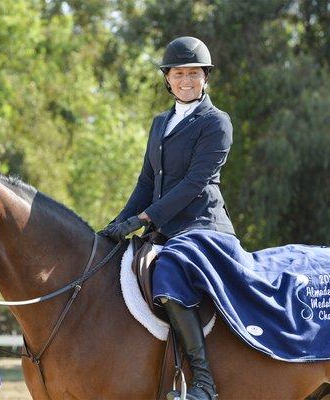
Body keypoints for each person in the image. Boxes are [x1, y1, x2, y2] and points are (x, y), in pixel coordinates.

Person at [100, 36, 234, 400]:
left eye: (194, 73)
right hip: (164, 228)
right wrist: (120, 222)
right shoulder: (160, 123)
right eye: (179, 73)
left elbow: (194, 183)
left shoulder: (216, 123)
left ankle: (204, 382)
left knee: (170, 272)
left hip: (202, 228)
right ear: (168, 78)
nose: (186, 80)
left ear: (205, 78)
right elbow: (147, 180)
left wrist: (144, 217)